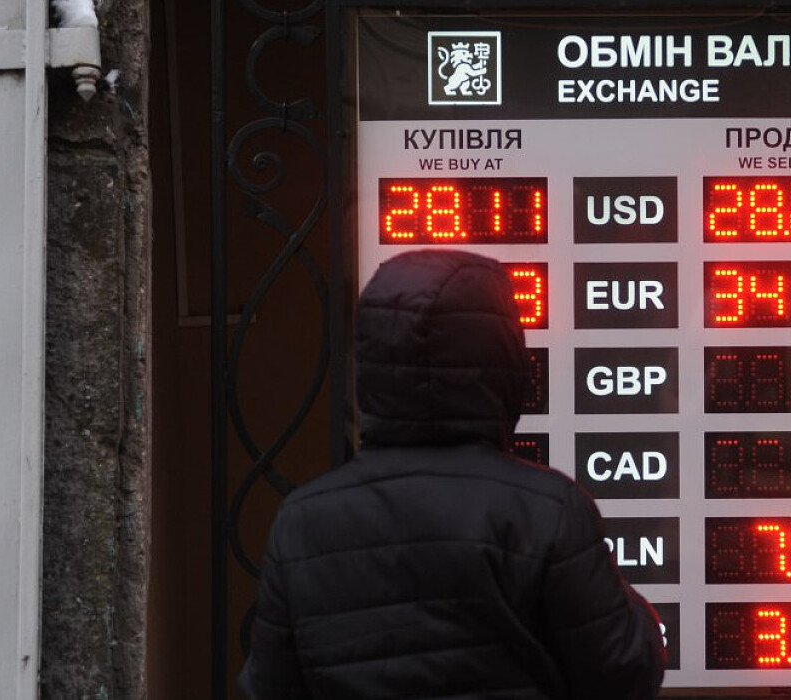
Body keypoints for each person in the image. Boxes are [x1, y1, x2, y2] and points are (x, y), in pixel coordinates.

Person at [239, 249, 665, 699]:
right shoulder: (547, 512)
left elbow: (269, 688)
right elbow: (624, 673)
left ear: (372, 360)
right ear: (502, 357)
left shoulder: (302, 522)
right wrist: (636, 612)